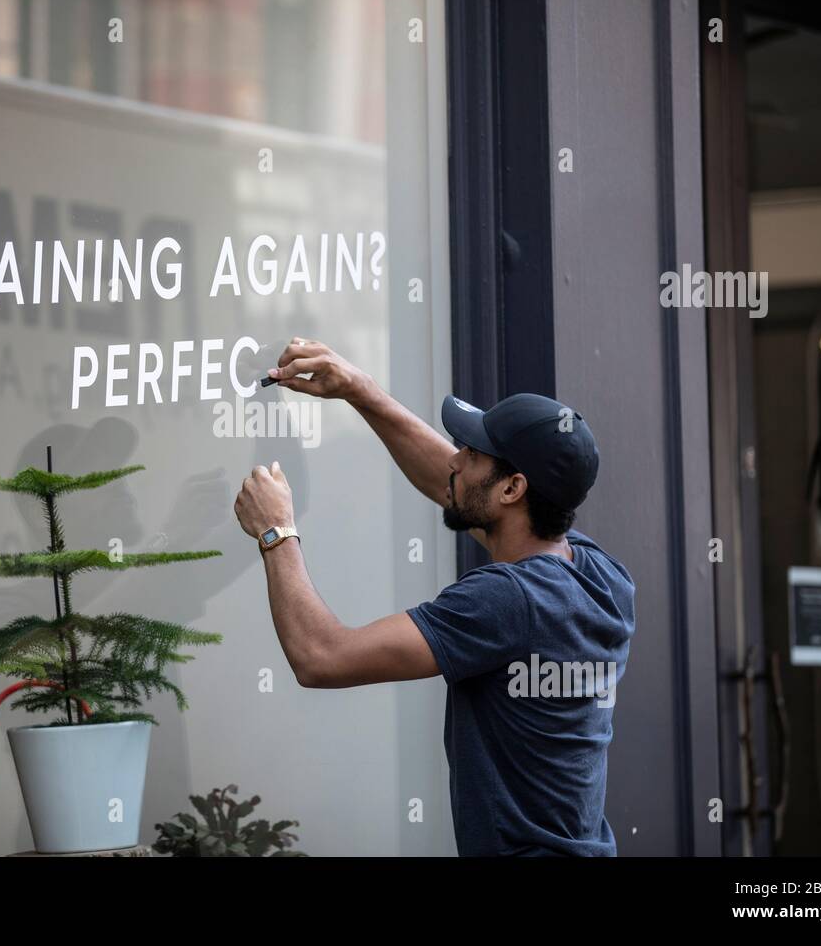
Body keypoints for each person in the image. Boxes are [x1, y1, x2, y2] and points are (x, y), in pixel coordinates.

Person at [233, 338, 635, 856]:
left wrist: (276, 533)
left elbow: (321, 657)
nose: (455, 461)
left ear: (512, 489)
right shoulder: (600, 578)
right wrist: (362, 391)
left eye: (470, 453)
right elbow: (451, 482)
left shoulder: (506, 601)